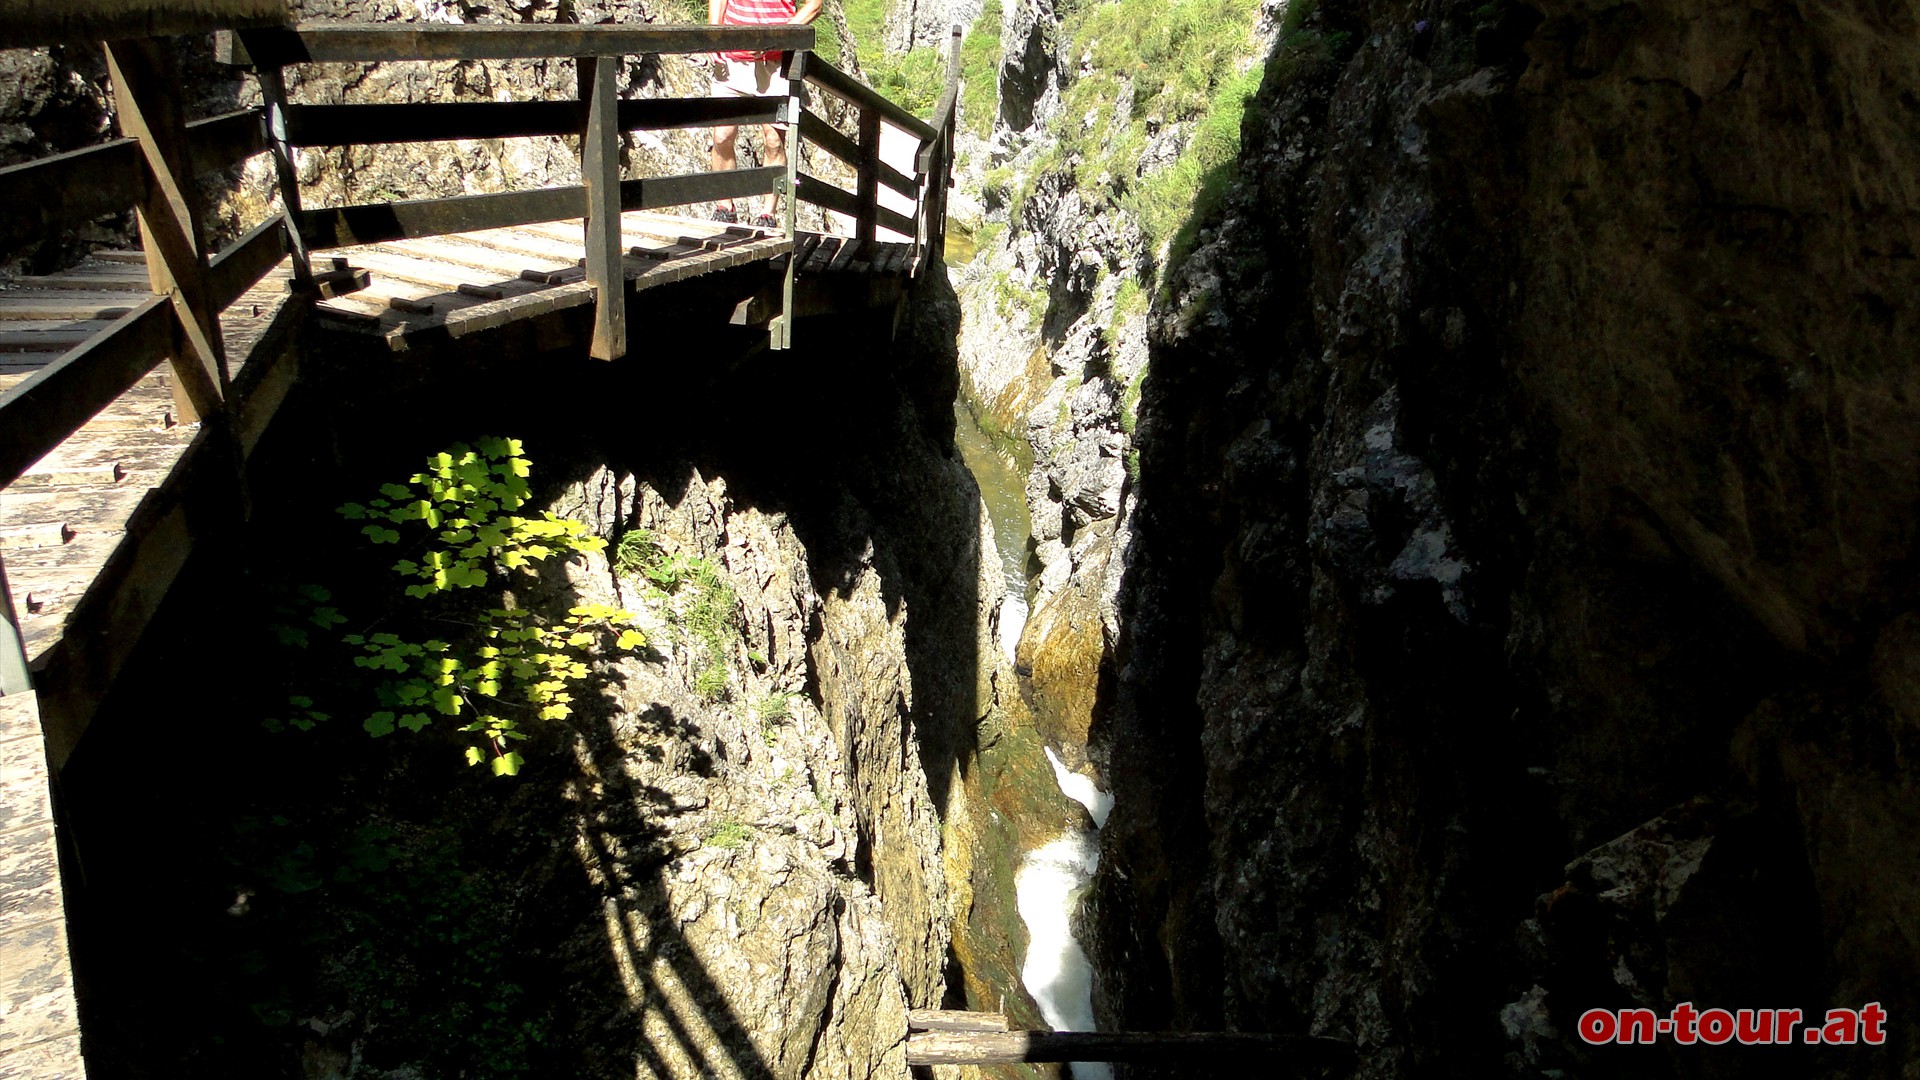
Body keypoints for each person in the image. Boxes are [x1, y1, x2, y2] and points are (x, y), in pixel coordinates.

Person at [708, 0, 821, 227]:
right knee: (722, 136)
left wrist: (776, 38)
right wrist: (713, 36)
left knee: (774, 141)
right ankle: (724, 206)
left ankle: (767, 214)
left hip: (776, 63)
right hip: (731, 60)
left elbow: (815, 5)